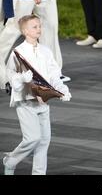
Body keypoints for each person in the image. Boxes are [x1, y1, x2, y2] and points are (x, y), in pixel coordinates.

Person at [3, 14, 71, 175]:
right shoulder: (18, 52)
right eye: (34, 27)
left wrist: (62, 89)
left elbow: (54, 74)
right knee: (32, 138)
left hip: (43, 102)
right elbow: (10, 74)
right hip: (26, 102)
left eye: (39, 26)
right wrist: (20, 78)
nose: (39, 29)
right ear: (25, 31)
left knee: (44, 141)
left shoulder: (46, 51)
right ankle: (11, 160)